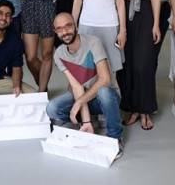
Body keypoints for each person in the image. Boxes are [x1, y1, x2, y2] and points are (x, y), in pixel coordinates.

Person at [47, 13, 123, 158]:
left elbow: (105, 79)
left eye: (68, 26)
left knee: (104, 92)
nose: (65, 31)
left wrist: (80, 102)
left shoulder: (93, 42)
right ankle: (88, 120)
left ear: (75, 25)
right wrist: (86, 121)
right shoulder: (59, 54)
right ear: (55, 31)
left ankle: (115, 138)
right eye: (59, 28)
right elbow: (77, 87)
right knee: (52, 108)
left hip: (107, 96)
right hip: (86, 98)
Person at [117, 0, 162, 130]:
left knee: (143, 63)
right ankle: (132, 107)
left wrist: (156, 23)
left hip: (144, 11)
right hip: (121, 10)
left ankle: (145, 109)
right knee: (126, 63)